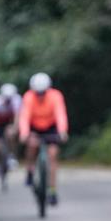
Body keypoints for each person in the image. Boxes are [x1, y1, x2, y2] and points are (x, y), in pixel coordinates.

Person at [18, 72, 69, 206]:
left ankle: (52, 191)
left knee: (52, 155)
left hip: (51, 126)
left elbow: (60, 114)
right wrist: (24, 133)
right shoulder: (28, 97)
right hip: (34, 126)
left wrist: (62, 131)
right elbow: (24, 116)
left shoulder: (56, 96)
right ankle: (30, 170)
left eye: (43, 93)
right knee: (32, 145)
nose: (40, 95)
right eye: (38, 93)